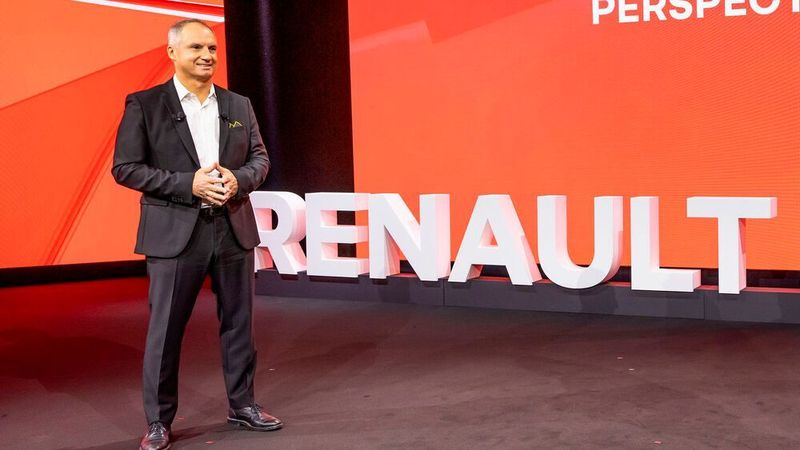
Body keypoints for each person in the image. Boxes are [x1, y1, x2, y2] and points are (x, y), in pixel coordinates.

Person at [112, 19, 281, 450]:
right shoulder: (145, 104)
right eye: (196, 48)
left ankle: (243, 405)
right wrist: (189, 184)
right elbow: (125, 168)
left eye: (212, 48)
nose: (207, 55)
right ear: (172, 52)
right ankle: (158, 421)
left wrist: (238, 180)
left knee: (239, 323)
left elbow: (260, 159)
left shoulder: (238, 104)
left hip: (232, 227)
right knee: (166, 330)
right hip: (174, 233)